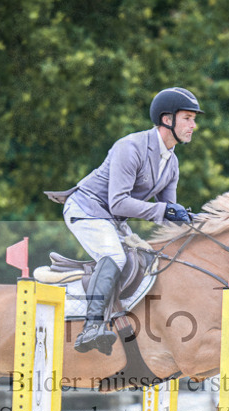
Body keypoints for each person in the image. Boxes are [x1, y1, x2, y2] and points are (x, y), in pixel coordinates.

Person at [44, 87, 203, 355]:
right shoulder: (130, 147)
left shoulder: (172, 163)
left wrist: (195, 222)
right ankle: (92, 327)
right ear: (167, 119)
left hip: (112, 220)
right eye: (187, 118)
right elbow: (119, 202)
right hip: (87, 208)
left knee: (148, 260)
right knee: (115, 258)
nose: (193, 126)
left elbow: (168, 213)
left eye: (193, 119)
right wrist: (166, 210)